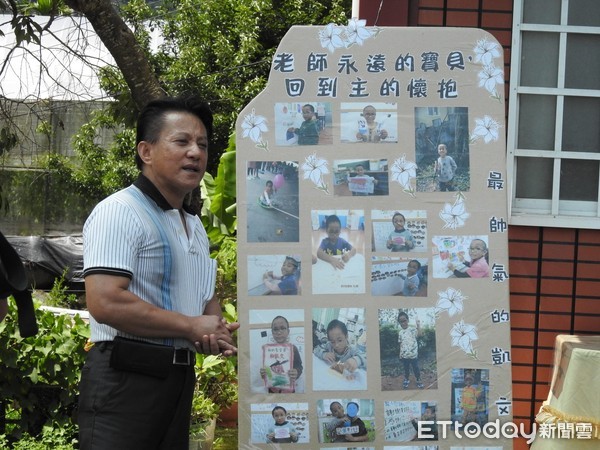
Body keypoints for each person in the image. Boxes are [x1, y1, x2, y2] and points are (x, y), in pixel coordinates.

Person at [78, 95, 239, 450]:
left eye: (202, 144)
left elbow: (204, 302)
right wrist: (190, 325)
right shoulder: (119, 211)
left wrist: (216, 331)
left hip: (179, 378)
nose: (195, 152)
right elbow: (105, 302)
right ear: (146, 151)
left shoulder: (194, 225)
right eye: (181, 141)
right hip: (125, 378)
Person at [260, 315, 304, 393]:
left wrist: (296, 372)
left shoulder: (293, 349)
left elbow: (299, 366)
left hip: (289, 390)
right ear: (272, 332)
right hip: (272, 390)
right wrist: (264, 373)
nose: (279, 332)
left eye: (283, 328)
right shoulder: (268, 350)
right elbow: (268, 370)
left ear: (288, 331)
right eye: (275, 329)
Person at [397, 311, 424, 389]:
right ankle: (406, 379)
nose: (403, 323)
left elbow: (420, 334)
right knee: (406, 369)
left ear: (408, 320)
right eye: (400, 322)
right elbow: (400, 343)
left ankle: (418, 379)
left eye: (404, 321)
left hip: (413, 356)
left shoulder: (412, 330)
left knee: (416, 369)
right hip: (404, 356)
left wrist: (418, 325)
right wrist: (400, 354)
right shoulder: (400, 332)